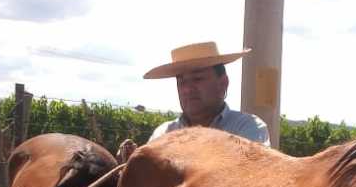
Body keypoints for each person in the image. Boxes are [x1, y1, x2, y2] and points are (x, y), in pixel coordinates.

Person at [115, 41, 270, 161]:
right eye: (181, 81)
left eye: (197, 79)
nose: (187, 89)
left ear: (223, 83)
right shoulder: (163, 133)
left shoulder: (248, 128)